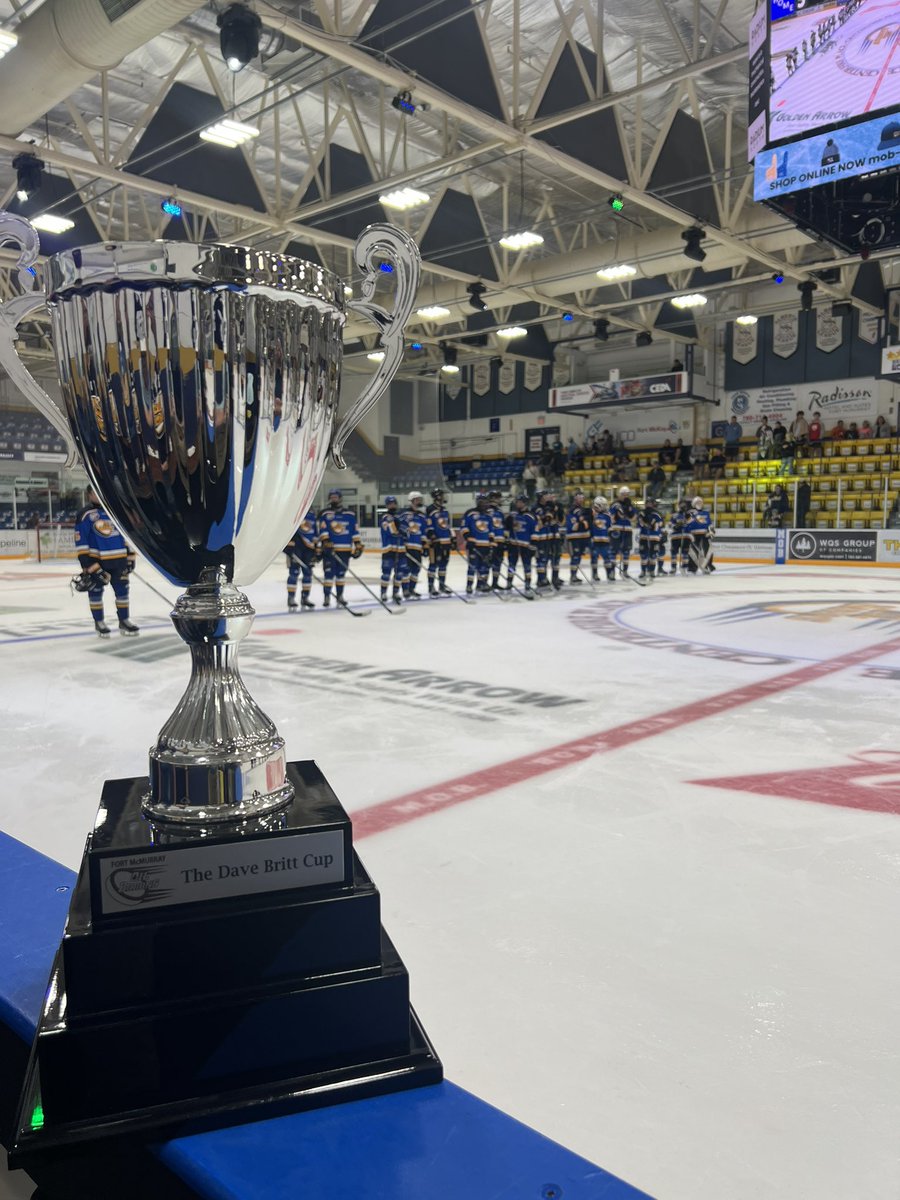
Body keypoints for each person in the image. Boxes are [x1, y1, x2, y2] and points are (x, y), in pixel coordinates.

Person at [73, 489, 139, 637]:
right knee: (95, 593)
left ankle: (124, 620)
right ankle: (99, 622)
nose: (99, 494)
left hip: (119, 561)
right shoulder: (85, 515)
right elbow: (81, 543)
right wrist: (89, 566)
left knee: (122, 593)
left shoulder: (115, 511)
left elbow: (126, 535)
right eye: (95, 492)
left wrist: (130, 557)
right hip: (98, 563)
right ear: (89, 495)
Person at [318, 488, 363, 608]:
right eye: (332, 497)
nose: (333, 499)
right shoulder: (325, 514)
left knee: (341, 575)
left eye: (335, 497)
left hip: (345, 551)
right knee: (328, 575)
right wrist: (326, 541)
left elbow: (354, 531)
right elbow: (323, 530)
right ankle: (327, 596)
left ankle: (340, 596)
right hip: (330, 551)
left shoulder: (350, 515)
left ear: (340, 498)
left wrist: (358, 545)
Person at [285, 510, 318, 610]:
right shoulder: (293, 512)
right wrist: (288, 547)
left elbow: (315, 532)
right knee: (294, 573)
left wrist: (316, 549)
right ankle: (291, 598)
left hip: (309, 550)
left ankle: (305, 598)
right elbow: (286, 531)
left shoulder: (312, 515)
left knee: (308, 574)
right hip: (296, 548)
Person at [398, 491, 429, 599]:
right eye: (418, 499)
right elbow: (399, 527)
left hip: (417, 547)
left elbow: (424, 532)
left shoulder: (421, 515)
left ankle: (412, 589)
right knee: (406, 569)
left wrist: (425, 546)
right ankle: (405, 590)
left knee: (416, 569)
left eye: (421, 499)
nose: (420, 501)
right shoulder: (404, 513)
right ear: (412, 501)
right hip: (407, 546)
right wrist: (403, 541)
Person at [461, 492, 493, 594]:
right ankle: (469, 586)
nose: (484, 504)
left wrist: (491, 542)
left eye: (485, 502)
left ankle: (481, 585)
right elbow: (464, 527)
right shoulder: (470, 513)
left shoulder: (488, 516)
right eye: (482, 502)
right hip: (474, 545)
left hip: (485, 545)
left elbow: (491, 531)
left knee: (484, 566)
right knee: (472, 566)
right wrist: (468, 539)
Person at [506, 494, 538, 593]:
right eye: (517, 502)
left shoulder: (530, 516)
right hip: (513, 544)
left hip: (525, 545)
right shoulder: (513, 515)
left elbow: (534, 531)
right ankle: (509, 582)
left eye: (520, 502)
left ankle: (528, 583)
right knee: (511, 565)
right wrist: (508, 521)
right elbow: (506, 528)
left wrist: (533, 544)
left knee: (527, 566)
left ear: (525, 503)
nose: (518, 503)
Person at [379, 495, 406, 605]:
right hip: (389, 549)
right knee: (386, 573)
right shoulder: (385, 517)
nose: (392, 505)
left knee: (399, 573)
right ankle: (383, 593)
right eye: (389, 503)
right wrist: (398, 528)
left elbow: (407, 530)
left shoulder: (401, 516)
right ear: (387, 505)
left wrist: (403, 530)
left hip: (400, 549)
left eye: (393, 503)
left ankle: (396, 592)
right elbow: (391, 530)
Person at [425, 488, 453, 596]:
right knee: (433, 565)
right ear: (437, 496)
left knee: (443, 565)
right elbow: (428, 525)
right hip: (435, 543)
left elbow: (447, 526)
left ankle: (442, 586)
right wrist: (432, 536)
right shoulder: (430, 509)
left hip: (446, 542)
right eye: (442, 495)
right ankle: (431, 587)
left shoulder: (445, 510)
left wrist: (452, 538)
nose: (444, 497)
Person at [609, 485, 637, 577]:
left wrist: (628, 512)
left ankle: (625, 571)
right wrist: (617, 516)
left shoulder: (629, 504)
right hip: (616, 530)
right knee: (614, 551)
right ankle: (612, 571)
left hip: (627, 530)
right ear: (619, 494)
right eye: (624, 494)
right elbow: (611, 518)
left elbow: (634, 518)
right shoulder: (614, 504)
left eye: (627, 494)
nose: (625, 496)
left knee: (626, 551)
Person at [565, 489, 591, 583]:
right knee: (575, 556)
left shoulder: (583, 510)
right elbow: (573, 526)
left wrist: (583, 521)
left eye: (582, 497)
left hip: (582, 537)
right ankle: (573, 576)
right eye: (579, 497)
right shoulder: (571, 510)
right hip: (573, 537)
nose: (581, 499)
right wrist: (581, 522)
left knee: (579, 556)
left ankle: (574, 575)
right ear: (575, 498)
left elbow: (586, 523)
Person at [685, 496, 715, 573]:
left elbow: (709, 524)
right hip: (694, 535)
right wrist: (687, 533)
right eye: (697, 502)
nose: (700, 504)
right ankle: (692, 567)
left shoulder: (706, 513)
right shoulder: (690, 513)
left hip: (705, 535)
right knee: (693, 551)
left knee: (708, 551)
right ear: (693, 504)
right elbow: (687, 524)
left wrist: (711, 531)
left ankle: (707, 565)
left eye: (701, 502)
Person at [486, 489, 507, 590]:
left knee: (497, 562)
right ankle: (483, 583)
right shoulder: (487, 511)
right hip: (491, 541)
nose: (500, 500)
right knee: (488, 562)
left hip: (500, 541)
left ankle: (495, 583)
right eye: (498, 498)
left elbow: (502, 526)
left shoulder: (499, 511)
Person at [637, 500, 665, 578]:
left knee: (653, 555)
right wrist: (644, 522)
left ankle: (652, 571)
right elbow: (639, 524)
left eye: (650, 503)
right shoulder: (642, 513)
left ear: (653, 504)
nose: (649, 505)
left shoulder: (657, 514)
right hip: (644, 537)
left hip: (654, 537)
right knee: (643, 555)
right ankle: (643, 571)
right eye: (647, 503)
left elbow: (661, 524)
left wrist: (653, 524)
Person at [590, 496, 613, 582]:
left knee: (607, 558)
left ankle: (609, 573)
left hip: (605, 541)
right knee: (594, 558)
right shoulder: (592, 515)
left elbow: (610, 527)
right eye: (603, 505)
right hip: (594, 541)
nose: (605, 506)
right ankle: (594, 574)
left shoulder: (607, 515)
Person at [668, 499, 692, 575]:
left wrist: (686, 521)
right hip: (675, 537)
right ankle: (673, 568)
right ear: (678, 505)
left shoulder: (689, 515)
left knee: (685, 553)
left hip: (685, 537)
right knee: (673, 553)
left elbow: (691, 524)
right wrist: (675, 526)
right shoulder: (674, 515)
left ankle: (684, 567)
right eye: (681, 504)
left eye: (684, 504)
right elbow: (670, 524)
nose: (682, 506)